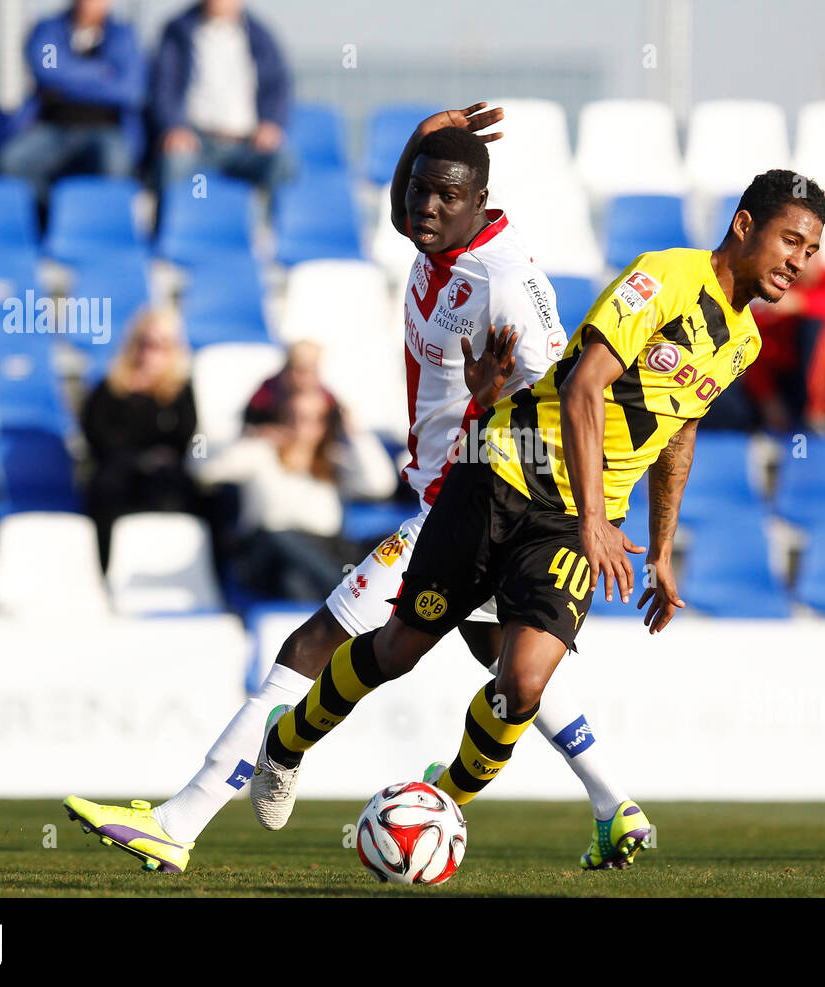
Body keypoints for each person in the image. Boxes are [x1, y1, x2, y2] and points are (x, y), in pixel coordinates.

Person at [64, 104, 654, 874]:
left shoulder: (508, 285)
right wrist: (418, 137)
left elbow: (566, 405)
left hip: (471, 502)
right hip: (449, 495)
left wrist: (484, 404)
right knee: (508, 664)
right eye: (417, 191)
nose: (424, 207)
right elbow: (410, 204)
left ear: (480, 201)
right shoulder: (437, 234)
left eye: (443, 195)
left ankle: (179, 820)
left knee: (311, 645)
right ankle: (615, 804)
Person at [241, 170, 824, 848]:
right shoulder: (665, 277)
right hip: (503, 470)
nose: (798, 263)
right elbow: (583, 387)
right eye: (790, 240)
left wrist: (661, 548)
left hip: (573, 520)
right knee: (401, 647)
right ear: (746, 226)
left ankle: (443, 799)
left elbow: (679, 430)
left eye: (809, 251)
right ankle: (286, 740)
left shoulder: (743, 342)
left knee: (522, 682)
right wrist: (595, 522)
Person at [197, 368, 397, 600]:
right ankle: (344, 591)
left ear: (325, 424)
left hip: (320, 551)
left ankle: (336, 601)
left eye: (312, 419)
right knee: (278, 534)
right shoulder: (259, 453)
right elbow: (202, 470)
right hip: (266, 553)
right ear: (280, 416)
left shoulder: (332, 459)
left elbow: (380, 485)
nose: (301, 426)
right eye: (292, 416)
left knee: (296, 580)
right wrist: (250, 439)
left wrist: (354, 432)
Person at [81, 307, 199, 571]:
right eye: (146, 342)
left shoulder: (180, 391)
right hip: (118, 474)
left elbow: (187, 436)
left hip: (162, 475)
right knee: (106, 488)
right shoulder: (110, 387)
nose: (151, 351)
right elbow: (96, 435)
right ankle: (107, 569)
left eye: (161, 345)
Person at [0, 0, 146, 204]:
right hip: (53, 127)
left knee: (115, 166)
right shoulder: (47, 30)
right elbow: (48, 72)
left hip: (106, 129)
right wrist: (102, 73)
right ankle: (51, 216)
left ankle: (94, 225)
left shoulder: (123, 35)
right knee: (12, 162)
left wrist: (65, 82)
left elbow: (128, 89)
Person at [150, 0, 292, 192]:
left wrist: (271, 123)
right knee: (173, 165)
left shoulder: (261, 37)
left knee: (281, 164)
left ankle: (266, 220)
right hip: (196, 142)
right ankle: (165, 220)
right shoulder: (178, 31)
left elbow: (277, 86)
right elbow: (164, 84)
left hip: (246, 145)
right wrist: (173, 126)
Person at [737, 255, 825, 434]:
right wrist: (767, 398)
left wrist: (798, 303)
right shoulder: (776, 291)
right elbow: (756, 346)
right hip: (787, 385)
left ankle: (816, 412)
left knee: (816, 325)